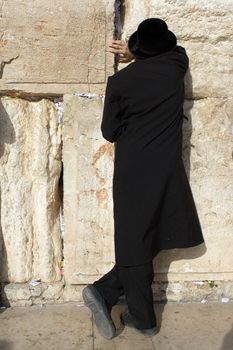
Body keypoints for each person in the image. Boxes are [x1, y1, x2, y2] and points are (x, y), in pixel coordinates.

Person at [82, 18, 205, 340]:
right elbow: (177, 50)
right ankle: (108, 291)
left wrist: (131, 58)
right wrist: (137, 52)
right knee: (156, 231)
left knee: (133, 238)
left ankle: (141, 315)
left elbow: (110, 132)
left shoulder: (121, 82)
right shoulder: (176, 67)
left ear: (136, 47)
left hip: (134, 168)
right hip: (167, 169)